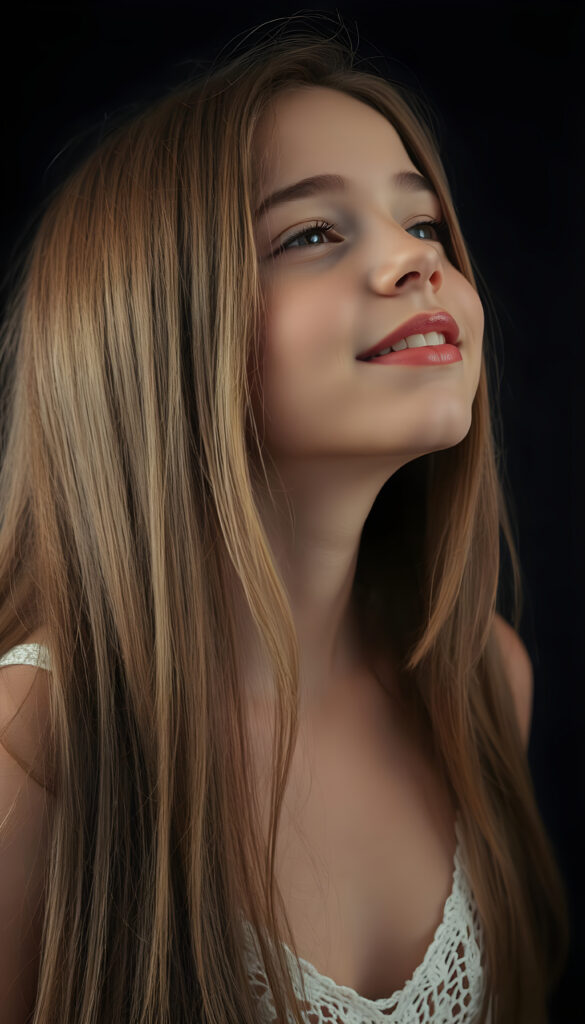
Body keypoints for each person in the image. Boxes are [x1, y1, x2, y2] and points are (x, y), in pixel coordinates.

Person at [0, 14, 570, 1024]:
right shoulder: (29, 753)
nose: (415, 262)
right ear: (152, 329)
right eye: (311, 233)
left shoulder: (484, 683)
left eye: (424, 224)